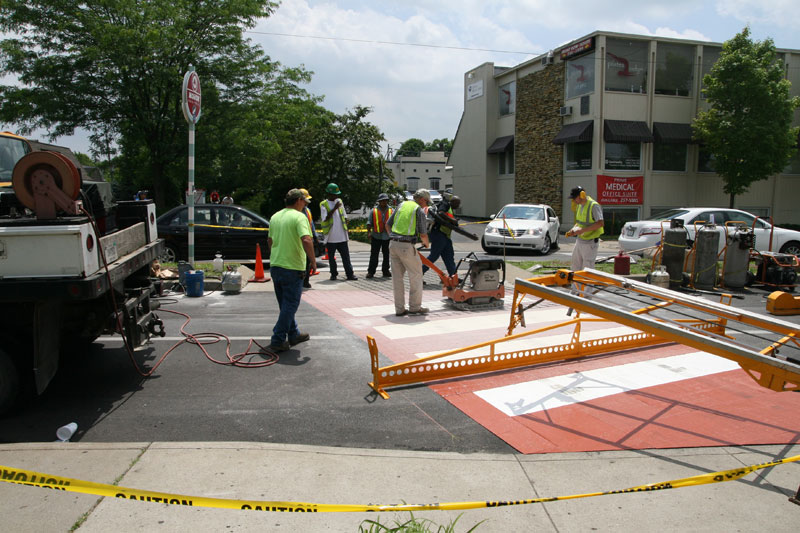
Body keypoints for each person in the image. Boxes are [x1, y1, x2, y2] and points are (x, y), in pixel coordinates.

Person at [267, 189, 318, 352]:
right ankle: (278, 339)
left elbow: (270, 240)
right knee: (290, 305)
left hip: (276, 266)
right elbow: (306, 239)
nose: (305, 205)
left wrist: (277, 253)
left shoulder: (275, 216)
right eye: (304, 202)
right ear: (298, 201)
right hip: (292, 267)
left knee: (285, 304)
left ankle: (293, 333)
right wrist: (312, 260)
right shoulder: (299, 217)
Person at [387, 189, 431, 316]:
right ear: (422, 199)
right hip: (406, 246)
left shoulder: (401, 205)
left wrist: (393, 237)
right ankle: (415, 307)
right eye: (427, 202)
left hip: (393, 245)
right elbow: (423, 233)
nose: (426, 204)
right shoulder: (418, 210)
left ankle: (399, 309)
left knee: (397, 279)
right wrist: (426, 244)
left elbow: (387, 224)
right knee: (416, 275)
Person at [319, 183, 357, 281]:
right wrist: (335, 208)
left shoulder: (339, 201)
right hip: (331, 237)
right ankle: (333, 274)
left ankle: (350, 274)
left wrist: (347, 229)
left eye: (337, 194)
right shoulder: (324, 204)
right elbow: (325, 219)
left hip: (342, 236)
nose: (336, 196)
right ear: (329, 194)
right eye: (334, 194)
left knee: (346, 257)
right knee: (331, 258)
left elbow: (344, 216)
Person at [566, 186, 604, 270]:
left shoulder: (593, 205)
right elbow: (579, 222)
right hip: (580, 240)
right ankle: (575, 283)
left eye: (574, 198)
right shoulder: (580, 206)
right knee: (575, 265)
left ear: (581, 195)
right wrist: (573, 229)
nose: (574, 201)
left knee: (587, 268)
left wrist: (582, 230)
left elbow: (600, 223)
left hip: (590, 242)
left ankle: (588, 284)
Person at [423, 194, 461, 278]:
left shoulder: (450, 209)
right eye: (457, 204)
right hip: (438, 234)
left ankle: (453, 277)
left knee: (449, 256)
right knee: (434, 256)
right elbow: (440, 213)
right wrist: (452, 220)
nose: (458, 206)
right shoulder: (445, 204)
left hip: (445, 236)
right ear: (453, 202)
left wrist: (454, 222)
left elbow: (449, 220)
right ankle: (419, 273)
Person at [366, 193, 393, 278]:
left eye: (385, 201)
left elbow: (395, 223)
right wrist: (369, 232)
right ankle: (371, 272)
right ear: (379, 202)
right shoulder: (373, 211)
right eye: (382, 201)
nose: (384, 202)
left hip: (387, 236)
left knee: (386, 255)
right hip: (376, 236)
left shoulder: (392, 210)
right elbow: (369, 223)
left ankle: (385, 271)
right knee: (374, 255)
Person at [299, 188, 319, 289]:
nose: (307, 202)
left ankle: (306, 280)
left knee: (307, 261)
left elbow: (311, 224)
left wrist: (315, 236)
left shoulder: (308, 210)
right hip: (300, 240)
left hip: (308, 238)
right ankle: (301, 280)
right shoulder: (296, 212)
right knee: (301, 261)